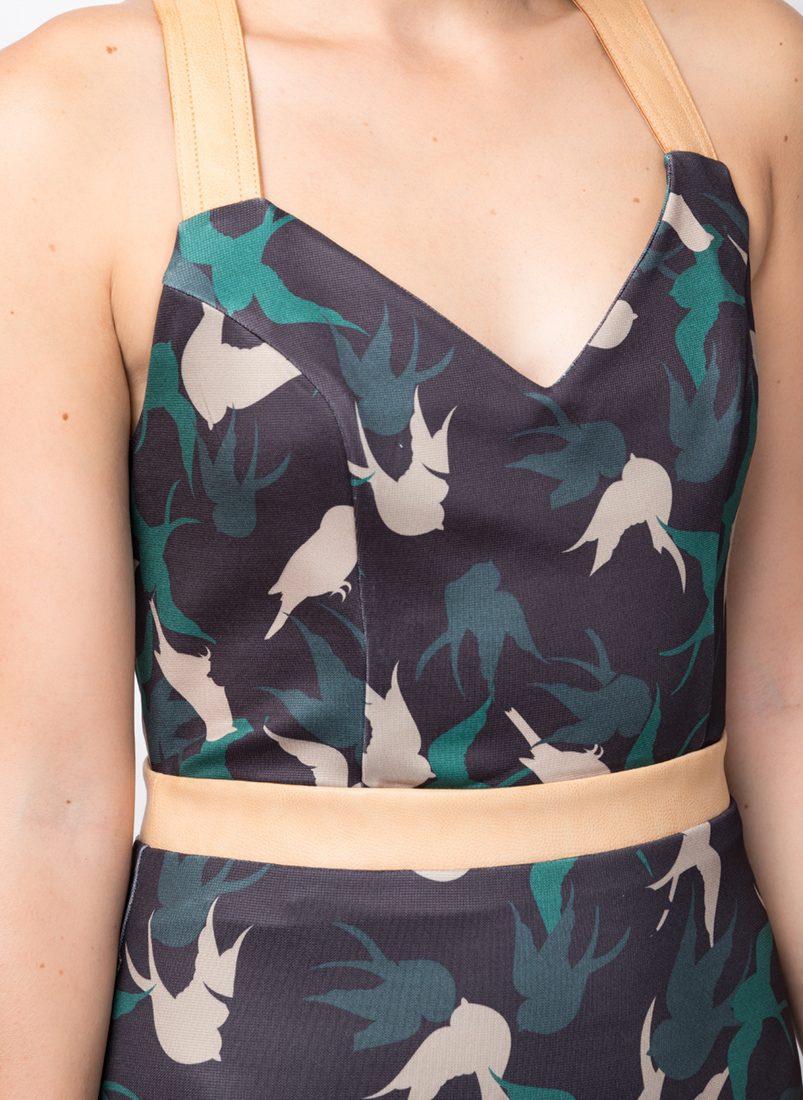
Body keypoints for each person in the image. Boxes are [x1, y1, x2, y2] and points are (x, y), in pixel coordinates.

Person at [2, 0, 802, 1095]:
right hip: (261, 1058)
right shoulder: (73, 118)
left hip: (700, 1040)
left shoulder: (748, 75)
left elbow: (783, 696)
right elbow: (42, 803)